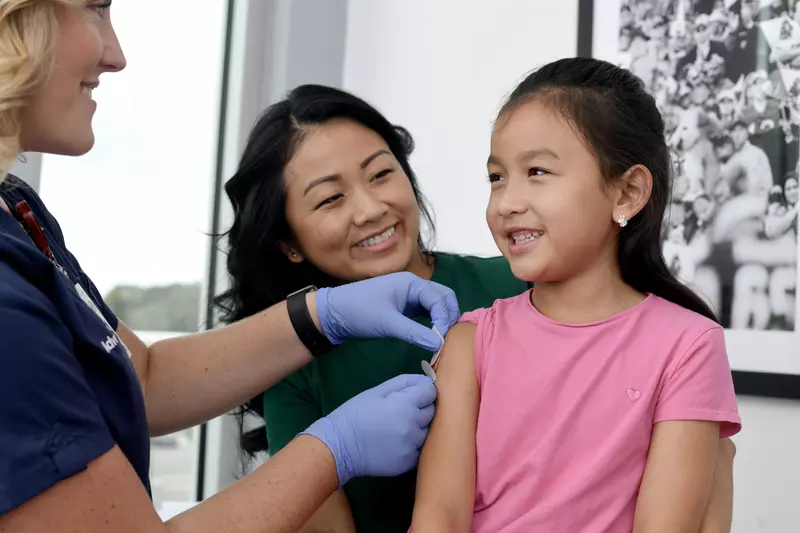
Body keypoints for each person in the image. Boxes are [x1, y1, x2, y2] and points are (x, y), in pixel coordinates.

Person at [0, 2, 462, 532]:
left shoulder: (17, 212)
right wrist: (335, 449)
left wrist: (320, 315)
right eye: (95, 8)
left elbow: (143, 380)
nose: (116, 55)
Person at [410, 58, 741, 532]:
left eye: (538, 171)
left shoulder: (687, 345)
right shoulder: (470, 343)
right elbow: (438, 516)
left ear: (627, 193)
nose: (507, 202)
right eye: (497, 177)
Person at [213, 84, 527, 533]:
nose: (371, 209)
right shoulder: (293, 364)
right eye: (330, 198)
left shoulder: (518, 284)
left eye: (381, 174)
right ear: (289, 244)